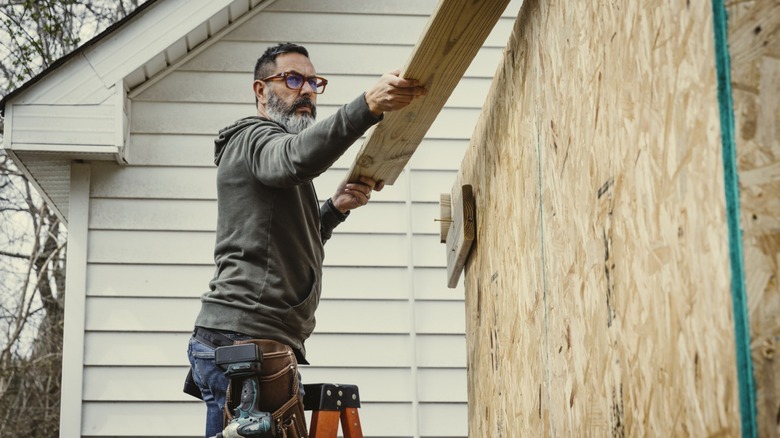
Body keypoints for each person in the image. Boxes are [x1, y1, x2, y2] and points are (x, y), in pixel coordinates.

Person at [184, 42, 426, 437]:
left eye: (314, 82)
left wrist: (335, 208)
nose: (308, 90)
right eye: (293, 79)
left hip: (254, 339)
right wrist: (367, 106)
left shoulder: (275, 156)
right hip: (243, 339)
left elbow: (292, 239)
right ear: (261, 91)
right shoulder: (253, 138)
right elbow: (296, 157)